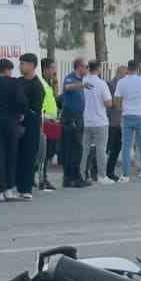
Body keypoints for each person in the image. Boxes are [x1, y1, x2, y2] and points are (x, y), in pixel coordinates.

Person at [0, 58, 24, 201]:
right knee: (11, 156)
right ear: (8, 70)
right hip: (12, 124)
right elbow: (22, 102)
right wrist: (19, 114)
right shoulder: (16, 83)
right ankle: (9, 188)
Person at [116, 60, 141, 183]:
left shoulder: (121, 82)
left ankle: (125, 175)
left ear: (128, 68)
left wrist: (121, 109)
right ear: (137, 68)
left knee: (126, 147)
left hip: (127, 115)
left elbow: (116, 99)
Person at [15, 54, 46, 200]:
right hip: (16, 125)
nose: (21, 66)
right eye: (20, 63)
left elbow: (35, 109)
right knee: (17, 156)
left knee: (28, 156)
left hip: (30, 127)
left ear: (33, 65)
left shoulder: (37, 85)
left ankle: (26, 188)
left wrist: (23, 114)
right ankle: (18, 186)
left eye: (24, 64)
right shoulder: (18, 82)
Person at [81, 60, 113, 185]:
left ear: (88, 68)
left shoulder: (83, 81)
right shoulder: (101, 83)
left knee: (84, 150)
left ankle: (82, 174)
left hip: (85, 120)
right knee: (101, 149)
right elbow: (108, 102)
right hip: (100, 121)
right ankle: (101, 176)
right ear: (99, 68)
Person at [60, 57, 88, 187]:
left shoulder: (80, 80)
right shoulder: (71, 78)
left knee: (76, 147)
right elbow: (67, 86)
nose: (87, 69)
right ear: (79, 67)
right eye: (85, 67)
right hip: (70, 116)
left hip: (78, 116)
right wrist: (81, 85)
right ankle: (71, 178)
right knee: (73, 147)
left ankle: (73, 177)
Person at [38, 59, 60, 191]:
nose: (54, 71)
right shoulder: (40, 82)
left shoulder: (49, 83)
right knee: (43, 153)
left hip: (51, 121)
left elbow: (54, 98)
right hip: (44, 120)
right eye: (52, 68)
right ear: (45, 69)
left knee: (50, 151)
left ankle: (43, 177)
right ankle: (42, 179)